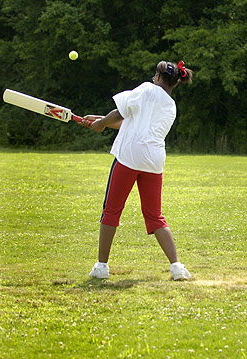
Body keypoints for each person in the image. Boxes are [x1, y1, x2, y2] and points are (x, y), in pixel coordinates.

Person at [82, 60, 193, 281]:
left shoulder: (146, 89)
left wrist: (102, 123)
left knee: (111, 210)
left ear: (159, 78)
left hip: (129, 157)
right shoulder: (171, 106)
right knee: (155, 216)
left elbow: (119, 112)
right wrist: (100, 120)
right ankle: (177, 267)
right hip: (153, 161)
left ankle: (102, 266)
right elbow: (130, 122)